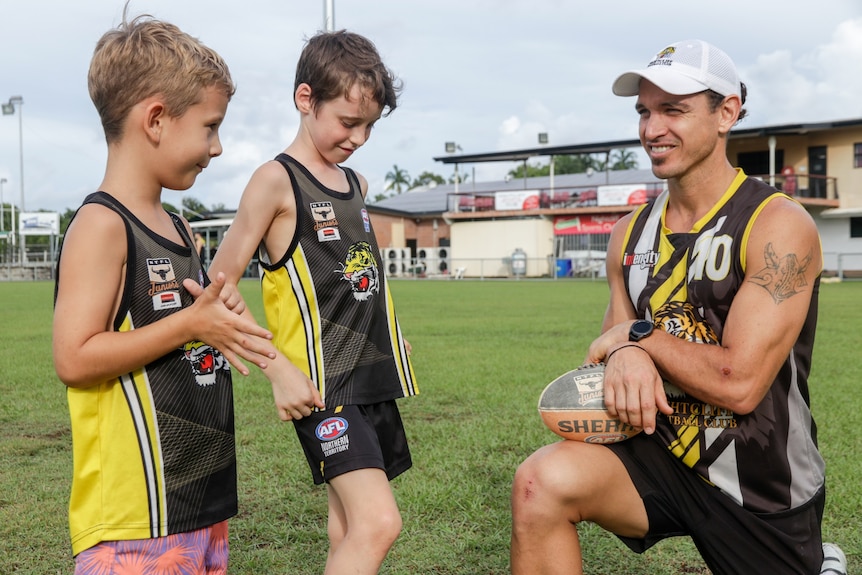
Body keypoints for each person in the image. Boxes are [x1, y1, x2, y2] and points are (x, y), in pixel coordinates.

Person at [510, 39, 847, 575]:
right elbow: (611, 355)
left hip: (759, 476)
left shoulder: (777, 224)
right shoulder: (628, 235)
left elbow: (740, 382)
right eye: (644, 111)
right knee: (539, 484)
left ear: (727, 113)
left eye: (674, 109)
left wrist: (638, 340)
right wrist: (625, 354)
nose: (651, 128)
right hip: (662, 453)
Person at [52, 11, 278, 574]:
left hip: (199, 504)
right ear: (156, 119)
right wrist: (188, 326)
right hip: (134, 521)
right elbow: (74, 357)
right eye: (210, 126)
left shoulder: (178, 228)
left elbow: (211, 323)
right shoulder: (103, 225)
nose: (218, 147)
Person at [208, 30, 418, 574]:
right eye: (349, 122)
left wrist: (390, 337)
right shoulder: (275, 182)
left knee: (347, 525)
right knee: (379, 523)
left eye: (370, 125)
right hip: (321, 387)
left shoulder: (356, 183)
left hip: (371, 376)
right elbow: (218, 283)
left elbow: (356, 279)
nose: (360, 137)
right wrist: (277, 368)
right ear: (306, 99)